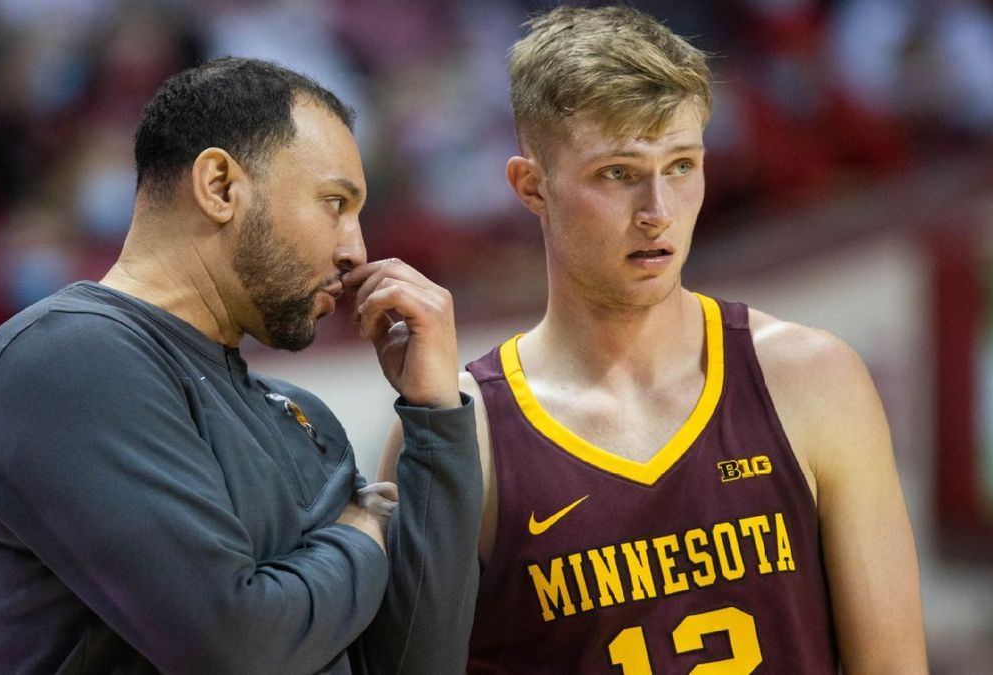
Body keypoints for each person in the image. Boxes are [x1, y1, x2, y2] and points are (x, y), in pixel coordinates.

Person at [379, 6, 927, 673]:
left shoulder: (815, 378)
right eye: (618, 173)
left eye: (681, 165)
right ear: (531, 186)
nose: (657, 211)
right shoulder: (463, 429)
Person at [0, 57, 482, 673]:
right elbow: (239, 647)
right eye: (334, 202)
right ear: (220, 187)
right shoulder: (65, 360)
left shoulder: (301, 416)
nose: (356, 251)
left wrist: (435, 415)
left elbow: (422, 661)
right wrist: (363, 531)